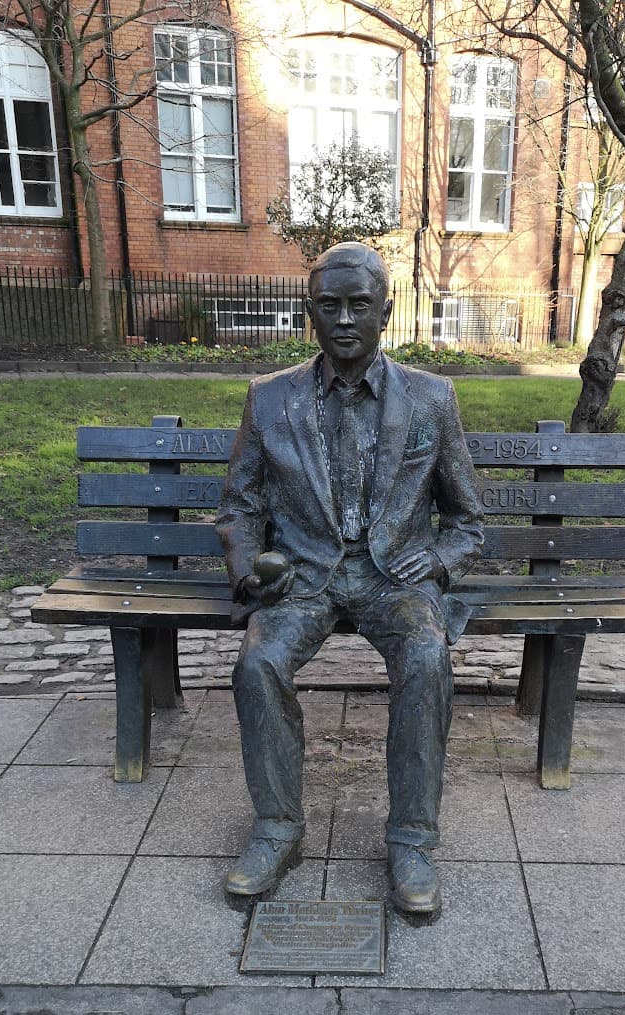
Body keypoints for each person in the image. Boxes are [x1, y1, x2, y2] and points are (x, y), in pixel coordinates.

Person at [215, 242, 484, 915]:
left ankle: (411, 841)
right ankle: (278, 829)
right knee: (258, 663)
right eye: (328, 305)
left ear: (385, 311)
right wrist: (252, 570)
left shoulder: (430, 398)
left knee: (427, 657)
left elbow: (467, 520)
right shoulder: (270, 398)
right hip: (302, 577)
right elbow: (240, 507)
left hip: (393, 577)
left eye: (358, 305)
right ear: (309, 311)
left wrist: (443, 561)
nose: (342, 318)